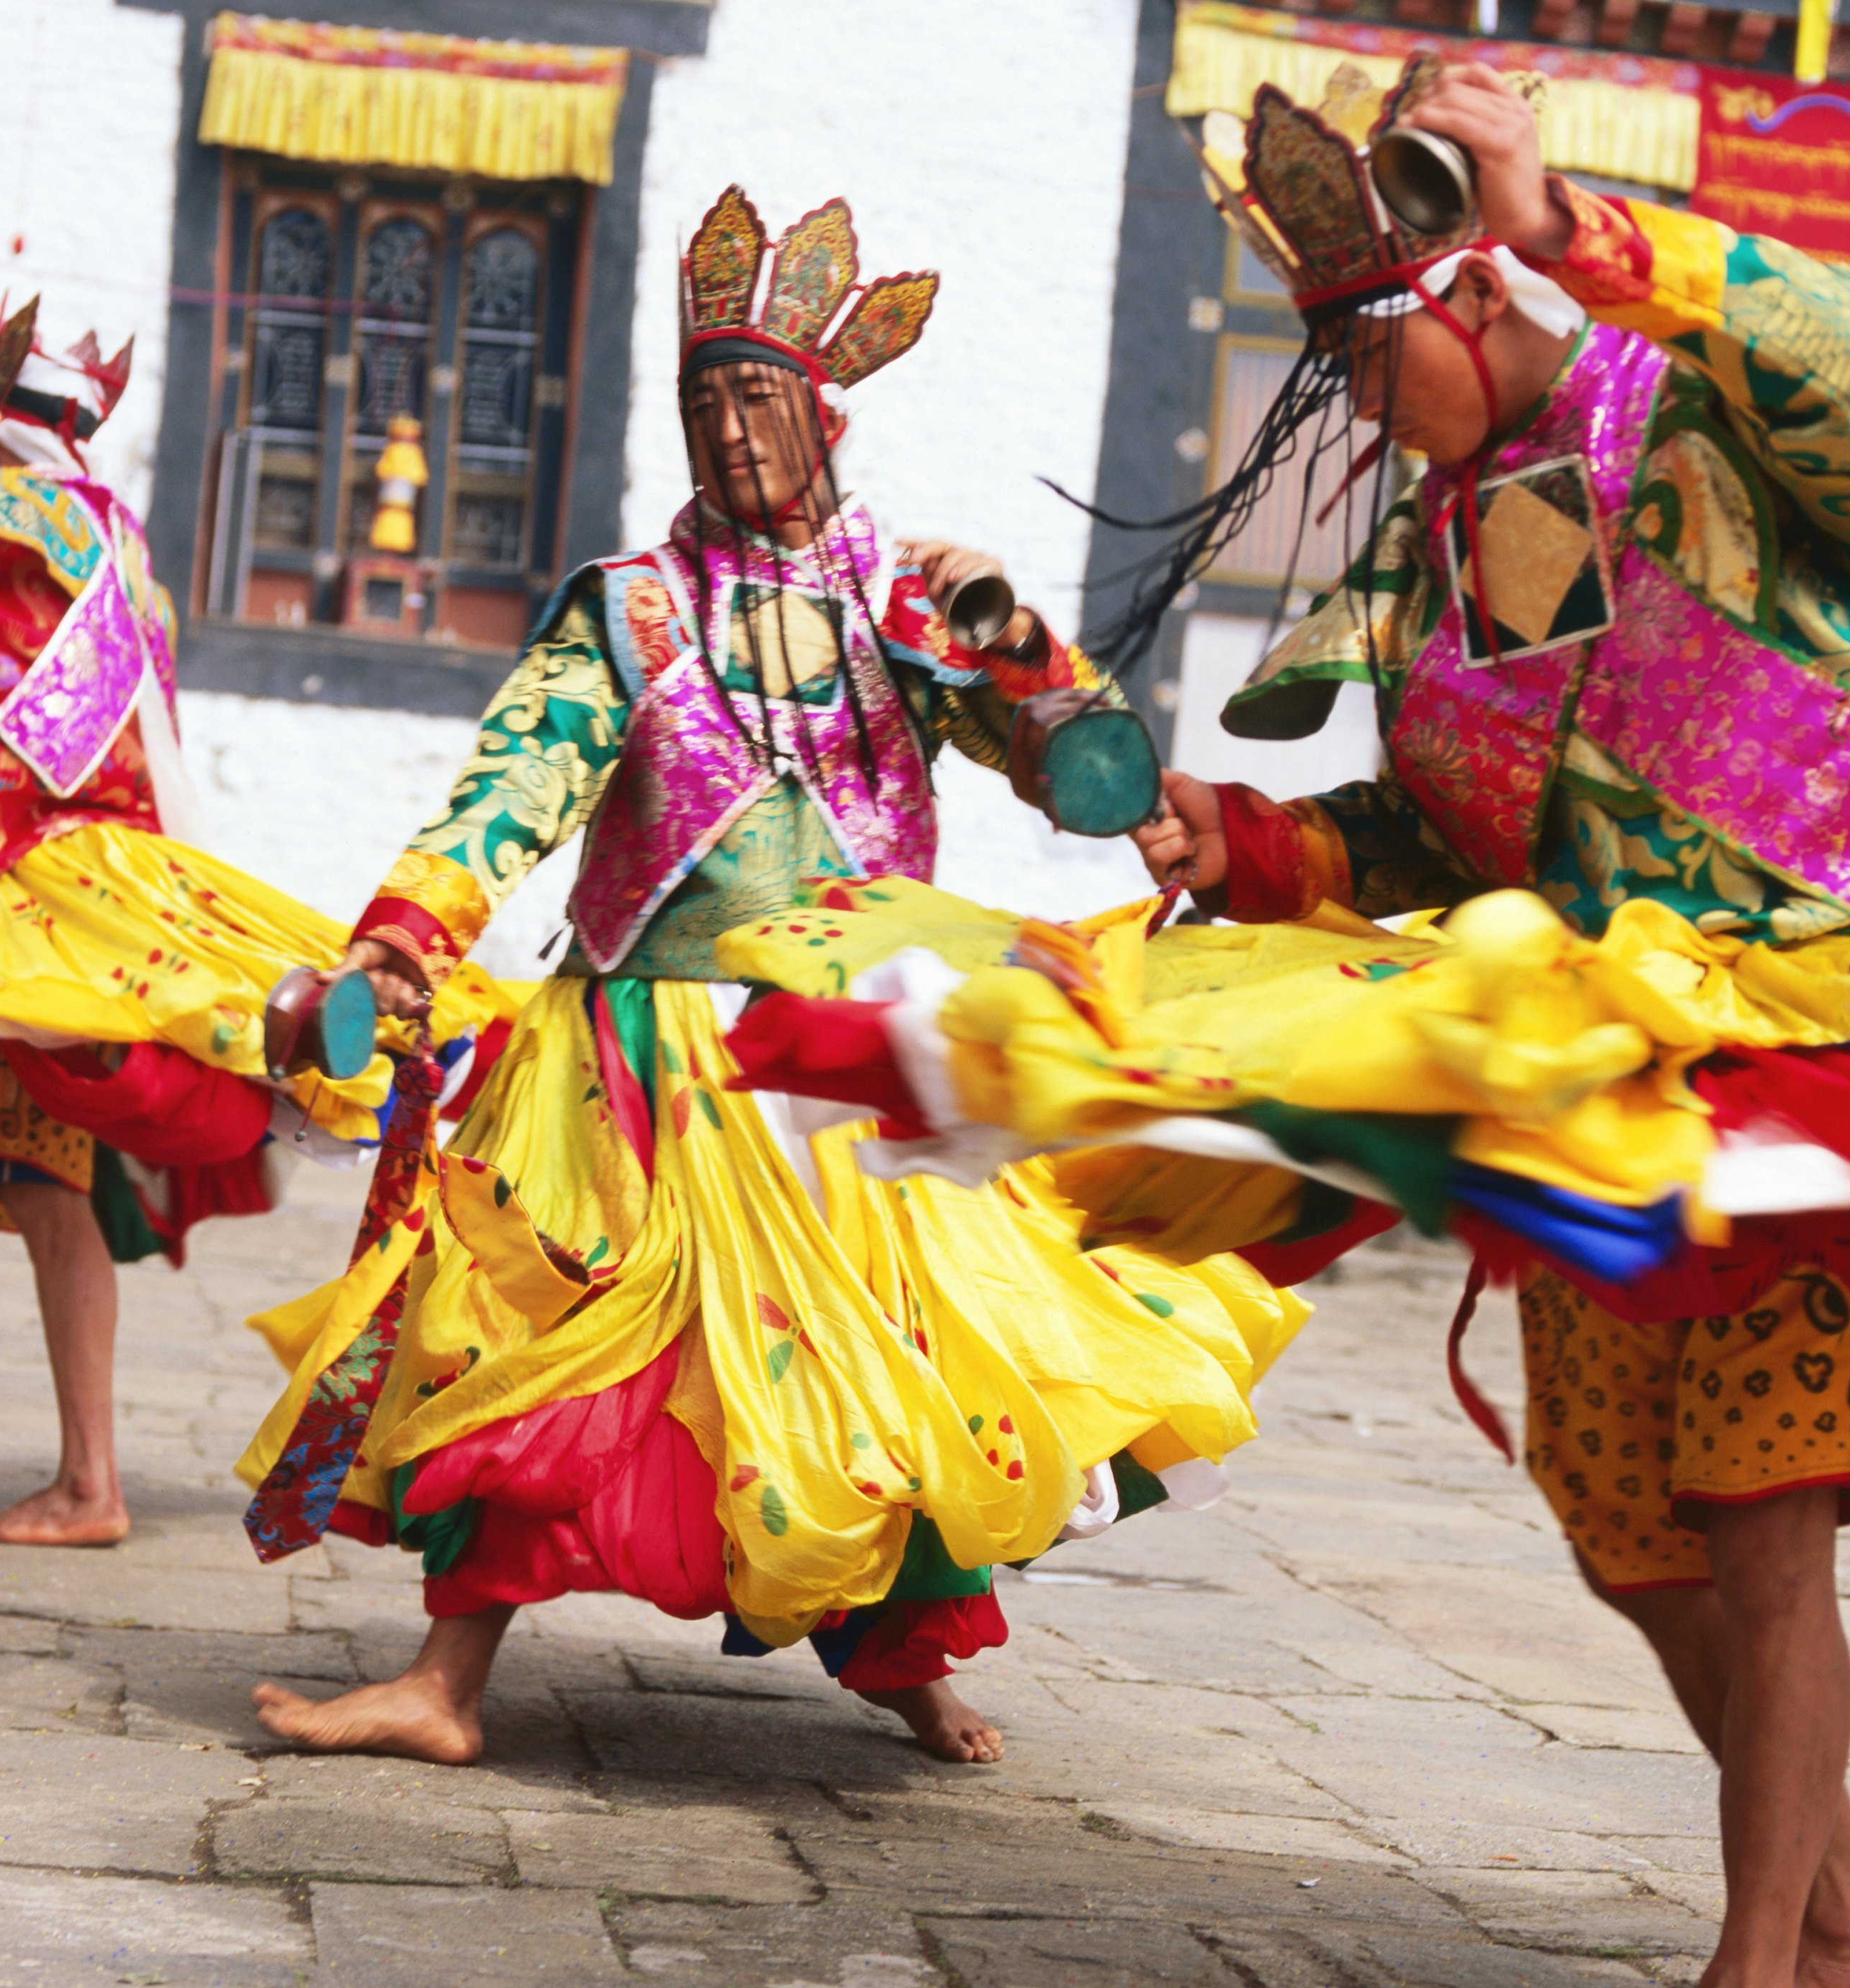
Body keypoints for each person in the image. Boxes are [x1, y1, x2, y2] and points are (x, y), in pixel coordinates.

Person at [719, 68, 1850, 1988]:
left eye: (1377, 355)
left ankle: (1753, 1984)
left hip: (1813, 1045)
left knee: (1761, 1516)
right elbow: (1440, 824)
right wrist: (1253, 844)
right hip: (1577, 1063)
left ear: (1487, 292)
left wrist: (1578, 221)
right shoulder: (1464, 544)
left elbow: (1840, 336)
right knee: (1632, 1533)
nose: (1362, 409)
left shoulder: (1708, 415)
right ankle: (1843, 1919)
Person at [237, 188, 1298, 1768]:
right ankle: (445, 1681)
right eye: (704, 399)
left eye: (760, 396)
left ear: (827, 413)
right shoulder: (634, 607)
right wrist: (408, 927)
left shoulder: (914, 602)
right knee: (529, 1327)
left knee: (908, 1347)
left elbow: (1079, 776)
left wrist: (1019, 645)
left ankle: (908, 1653)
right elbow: (518, 780)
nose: (732, 430)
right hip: (636, 1040)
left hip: (851, 1045)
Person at [0, 308, 495, 1544]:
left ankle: (92, 1485)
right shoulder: (118, 543)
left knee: (40, 1183)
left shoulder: (3, 514)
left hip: (30, 917)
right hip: (89, 894)